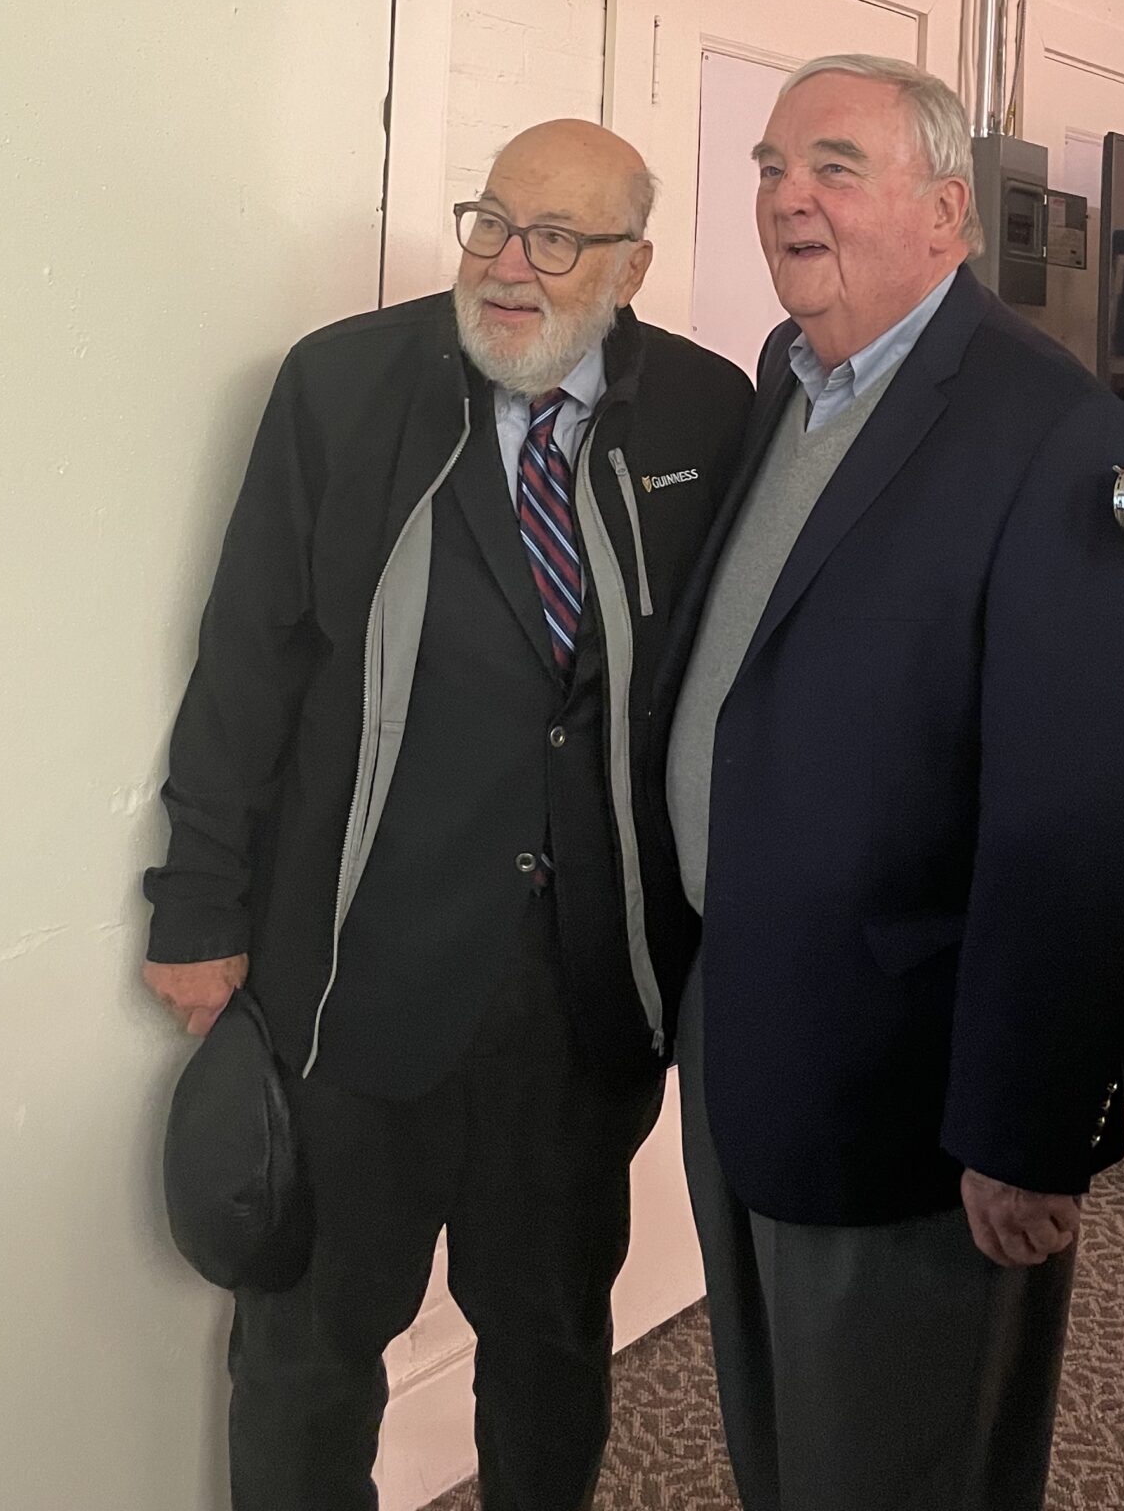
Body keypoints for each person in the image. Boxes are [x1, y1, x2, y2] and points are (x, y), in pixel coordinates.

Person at [143, 119, 753, 1511]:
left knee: (552, 1352)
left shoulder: (706, 416)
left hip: (584, 1001)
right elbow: (248, 657)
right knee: (306, 1360)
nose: (512, 266)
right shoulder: (344, 387)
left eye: (558, 238)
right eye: (492, 222)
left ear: (634, 264)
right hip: (358, 980)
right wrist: (198, 905)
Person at [661, 53, 1124, 1511]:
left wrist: (1022, 1129)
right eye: (767, 165)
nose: (785, 196)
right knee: (779, 1447)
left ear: (949, 209)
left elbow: (1071, 809)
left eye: (833, 164)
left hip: (908, 1082)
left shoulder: (1047, 426)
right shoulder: (788, 380)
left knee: (902, 1469)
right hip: (746, 1031)